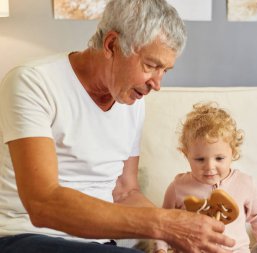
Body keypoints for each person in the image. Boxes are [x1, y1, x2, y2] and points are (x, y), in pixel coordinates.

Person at [0, 1, 236, 253]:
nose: (157, 84)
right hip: (25, 237)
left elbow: (125, 191)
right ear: (111, 44)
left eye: (165, 70)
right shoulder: (33, 82)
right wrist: (165, 224)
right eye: (151, 65)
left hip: (99, 244)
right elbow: (42, 203)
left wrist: (185, 231)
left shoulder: (131, 100)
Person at [154, 102, 257, 253]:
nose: (209, 167)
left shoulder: (244, 183)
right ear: (186, 154)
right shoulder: (178, 188)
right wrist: (160, 249)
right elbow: (162, 223)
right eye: (200, 159)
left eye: (219, 158)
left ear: (233, 153)